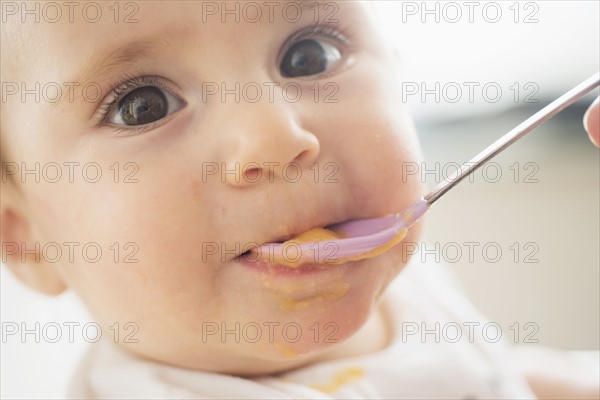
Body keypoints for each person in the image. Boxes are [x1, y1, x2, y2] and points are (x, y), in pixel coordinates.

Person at [1, 1, 598, 398]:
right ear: (24, 237)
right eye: (144, 106)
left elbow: (491, 379)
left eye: (309, 55)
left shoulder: (409, 294)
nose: (277, 137)